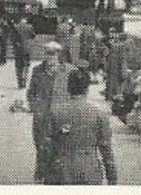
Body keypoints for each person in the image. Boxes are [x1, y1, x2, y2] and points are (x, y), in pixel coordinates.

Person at [46, 69, 117, 185]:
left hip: (61, 169)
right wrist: (112, 177)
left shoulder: (55, 113)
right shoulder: (99, 114)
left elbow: (47, 146)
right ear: (87, 89)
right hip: (89, 169)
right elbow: (106, 150)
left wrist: (44, 172)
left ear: (68, 88)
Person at [26, 41, 69, 183]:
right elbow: (31, 92)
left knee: (60, 146)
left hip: (60, 115)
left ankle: (57, 176)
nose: (50, 56)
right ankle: (41, 174)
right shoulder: (37, 70)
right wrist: (35, 107)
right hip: (42, 116)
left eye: (53, 53)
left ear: (59, 55)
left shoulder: (67, 71)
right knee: (41, 146)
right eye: (48, 53)